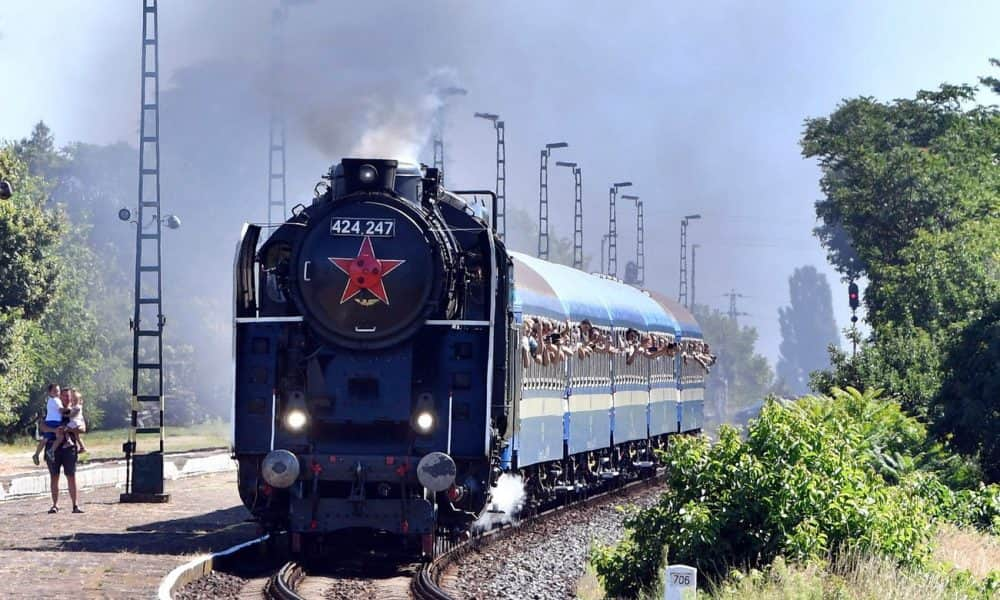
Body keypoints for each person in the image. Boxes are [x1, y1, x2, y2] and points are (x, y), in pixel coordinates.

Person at [38, 415, 83, 514]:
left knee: (71, 475)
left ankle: (75, 505)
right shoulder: (51, 412)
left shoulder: (72, 413)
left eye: (66, 398)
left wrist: (69, 429)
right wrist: (55, 430)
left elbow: (82, 428)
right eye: (62, 398)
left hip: (69, 448)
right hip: (52, 444)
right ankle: (55, 504)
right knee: (54, 476)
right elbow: (42, 427)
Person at [32, 384, 64, 466]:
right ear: (49, 392)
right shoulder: (56, 400)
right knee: (60, 437)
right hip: (56, 422)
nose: (57, 393)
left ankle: (36, 454)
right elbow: (61, 410)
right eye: (55, 391)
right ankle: (51, 450)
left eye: (58, 391)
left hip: (49, 421)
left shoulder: (49, 400)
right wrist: (69, 411)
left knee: (45, 439)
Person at [51, 389, 87, 456]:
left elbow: (83, 429)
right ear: (60, 397)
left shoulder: (75, 408)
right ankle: (82, 447)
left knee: (65, 429)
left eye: (68, 396)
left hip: (71, 451)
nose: (66, 398)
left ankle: (69, 441)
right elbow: (43, 425)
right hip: (55, 447)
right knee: (76, 435)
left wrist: (66, 415)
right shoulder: (55, 408)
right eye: (64, 396)